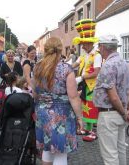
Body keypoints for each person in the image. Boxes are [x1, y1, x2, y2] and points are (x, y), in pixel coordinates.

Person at [32, 37, 82, 165]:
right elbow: (73, 96)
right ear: (60, 50)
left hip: (42, 113)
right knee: (61, 151)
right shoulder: (66, 69)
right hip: (61, 114)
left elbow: (35, 93)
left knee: (47, 149)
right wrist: (80, 118)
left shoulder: (37, 67)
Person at [93, 35, 129, 165]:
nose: (98, 50)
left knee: (110, 155)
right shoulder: (126, 65)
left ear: (103, 47)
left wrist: (124, 112)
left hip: (109, 113)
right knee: (120, 149)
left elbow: (113, 96)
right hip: (120, 113)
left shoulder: (108, 66)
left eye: (99, 47)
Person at [71, 19, 102, 142]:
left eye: (84, 44)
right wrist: (63, 67)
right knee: (85, 107)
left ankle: (94, 132)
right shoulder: (84, 55)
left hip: (92, 86)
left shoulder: (97, 55)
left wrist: (81, 77)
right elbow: (74, 64)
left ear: (89, 43)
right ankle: (87, 129)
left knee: (92, 108)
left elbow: (96, 72)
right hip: (84, 85)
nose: (82, 46)